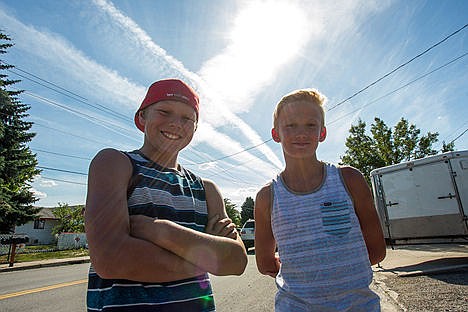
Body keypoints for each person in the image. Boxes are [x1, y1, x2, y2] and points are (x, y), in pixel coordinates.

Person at [85, 78, 248, 312]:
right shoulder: (115, 164)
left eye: (186, 118)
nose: (175, 123)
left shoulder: (207, 189)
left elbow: (237, 261)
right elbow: (111, 258)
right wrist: (206, 257)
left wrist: (160, 230)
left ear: (195, 127)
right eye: (164, 111)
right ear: (142, 117)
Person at [254, 88, 386, 311]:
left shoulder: (349, 180)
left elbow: (376, 250)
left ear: (322, 133)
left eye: (310, 125)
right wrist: (306, 277)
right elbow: (265, 262)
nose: (301, 133)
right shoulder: (267, 197)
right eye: (291, 125)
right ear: (276, 134)